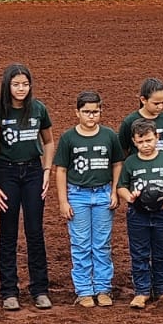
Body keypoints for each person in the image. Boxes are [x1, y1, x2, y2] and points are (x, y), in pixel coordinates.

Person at [0, 63, 54, 311]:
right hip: (6, 171)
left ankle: (40, 289)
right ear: (7, 85)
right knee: (8, 231)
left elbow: (48, 141)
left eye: (25, 84)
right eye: (16, 84)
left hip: (33, 171)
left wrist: (47, 170)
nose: (21, 89)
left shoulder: (38, 109)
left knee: (35, 231)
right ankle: (9, 291)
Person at [53, 90, 124, 308]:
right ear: (77, 113)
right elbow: (61, 170)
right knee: (81, 244)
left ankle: (103, 288)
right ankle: (84, 290)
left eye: (95, 111)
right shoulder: (68, 138)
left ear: (101, 111)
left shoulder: (110, 136)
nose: (91, 116)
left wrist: (114, 191)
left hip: (103, 194)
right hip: (78, 195)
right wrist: (63, 201)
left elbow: (117, 164)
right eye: (86, 112)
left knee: (102, 244)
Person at [118, 118, 163, 309]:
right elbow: (121, 186)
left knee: (162, 251)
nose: (145, 145)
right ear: (133, 141)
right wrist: (130, 197)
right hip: (137, 214)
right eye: (140, 142)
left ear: (157, 137)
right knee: (139, 253)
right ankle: (141, 292)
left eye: (149, 140)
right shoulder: (130, 162)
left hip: (162, 213)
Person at [119, 78, 163, 158]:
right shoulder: (129, 122)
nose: (160, 106)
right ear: (143, 100)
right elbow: (123, 148)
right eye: (156, 103)